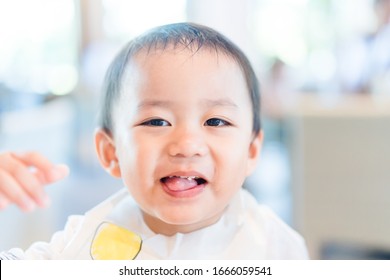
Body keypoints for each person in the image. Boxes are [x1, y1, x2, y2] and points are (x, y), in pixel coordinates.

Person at [0, 23, 308, 260]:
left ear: (252, 151)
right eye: (157, 121)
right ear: (111, 153)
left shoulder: (274, 245)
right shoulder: (84, 242)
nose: (187, 144)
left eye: (215, 121)